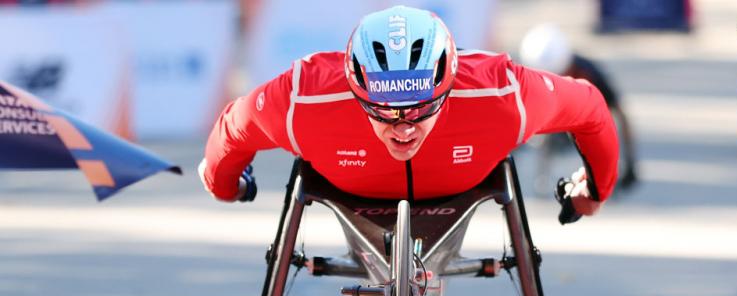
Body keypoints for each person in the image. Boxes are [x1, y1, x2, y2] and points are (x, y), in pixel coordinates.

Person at [199, 6, 619, 219]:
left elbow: (231, 133)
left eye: (422, 108)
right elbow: (591, 108)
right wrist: (593, 192)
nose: (403, 127)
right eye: (381, 109)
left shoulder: (502, 91)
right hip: (438, 181)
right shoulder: (304, 96)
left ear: (451, 83)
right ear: (353, 86)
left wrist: (227, 185)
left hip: (378, 183)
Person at [519, 23, 637, 191]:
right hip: (545, 119)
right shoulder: (524, 75)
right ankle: (541, 175)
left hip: (578, 119)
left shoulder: (588, 72)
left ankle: (600, 179)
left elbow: (619, 113)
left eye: (559, 74)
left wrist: (630, 162)